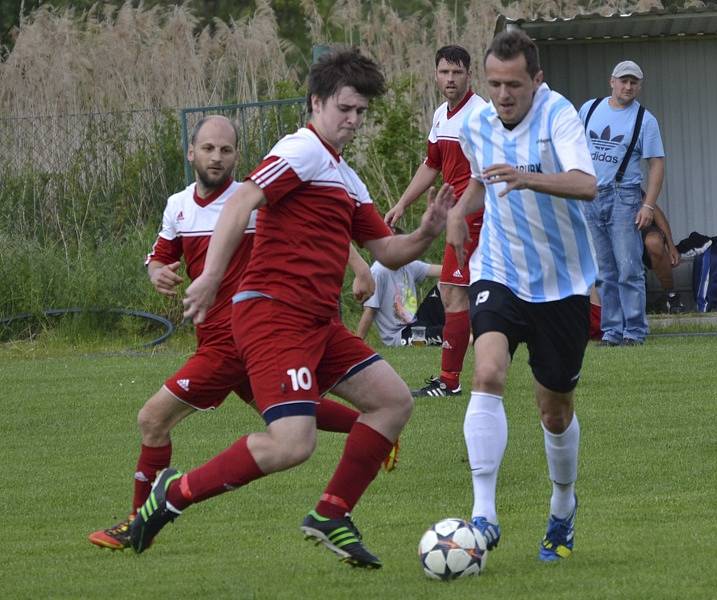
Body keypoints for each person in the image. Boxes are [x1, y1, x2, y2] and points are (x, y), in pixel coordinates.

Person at [128, 48, 453, 569]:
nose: (352, 121)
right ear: (317, 102)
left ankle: (331, 513)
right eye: (344, 109)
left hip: (319, 321)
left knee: (394, 401)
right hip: (275, 314)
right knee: (292, 443)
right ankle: (173, 495)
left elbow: (388, 251)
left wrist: (427, 233)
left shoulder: (345, 177)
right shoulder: (300, 149)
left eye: (360, 113)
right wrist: (211, 276)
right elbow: (240, 202)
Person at [87, 115, 375, 551]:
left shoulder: (252, 201)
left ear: (237, 156)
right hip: (228, 340)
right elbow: (161, 255)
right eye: (208, 149)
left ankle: (137, 520)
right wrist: (157, 273)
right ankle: (372, 432)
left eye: (225, 150)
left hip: (235, 341)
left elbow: (322, 230)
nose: (216, 157)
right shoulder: (177, 205)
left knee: (152, 419)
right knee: (292, 415)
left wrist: (359, 268)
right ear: (191, 153)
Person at [447, 31, 597, 562]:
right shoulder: (476, 122)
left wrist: (529, 180)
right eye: (494, 85)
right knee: (486, 373)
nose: (503, 94)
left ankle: (562, 506)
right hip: (500, 269)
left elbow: (586, 183)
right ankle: (483, 515)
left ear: (537, 80)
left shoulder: (560, 115)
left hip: (562, 283)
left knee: (554, 411)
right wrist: (456, 214)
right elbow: (480, 179)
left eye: (514, 84)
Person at [384, 45, 488, 397]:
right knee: (456, 293)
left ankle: (449, 381)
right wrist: (402, 203)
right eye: (444, 72)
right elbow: (431, 165)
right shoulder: (441, 115)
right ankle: (454, 377)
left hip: (474, 216)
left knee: (454, 294)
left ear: (469, 75)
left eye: (457, 72)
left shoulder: (480, 115)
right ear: (435, 74)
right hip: (457, 218)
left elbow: (490, 173)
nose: (450, 79)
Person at [579, 60, 665, 346]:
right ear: (611, 81)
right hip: (591, 196)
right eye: (623, 81)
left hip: (624, 197)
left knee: (629, 268)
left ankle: (634, 331)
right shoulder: (589, 109)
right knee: (604, 271)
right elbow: (573, 149)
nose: (628, 87)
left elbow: (656, 165)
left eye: (634, 82)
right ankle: (612, 331)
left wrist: (648, 206)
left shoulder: (645, 120)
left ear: (639, 86)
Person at [356, 254, 442, 347]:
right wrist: (357, 344)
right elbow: (369, 312)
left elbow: (445, 271)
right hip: (399, 336)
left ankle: (455, 322)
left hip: (417, 323)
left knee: (446, 283)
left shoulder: (408, 264)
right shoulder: (378, 272)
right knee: (446, 334)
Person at [642, 205, 685, 313]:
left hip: (640, 230)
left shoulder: (632, 191)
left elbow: (655, 212)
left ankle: (671, 296)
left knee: (654, 241)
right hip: (617, 233)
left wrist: (671, 246)